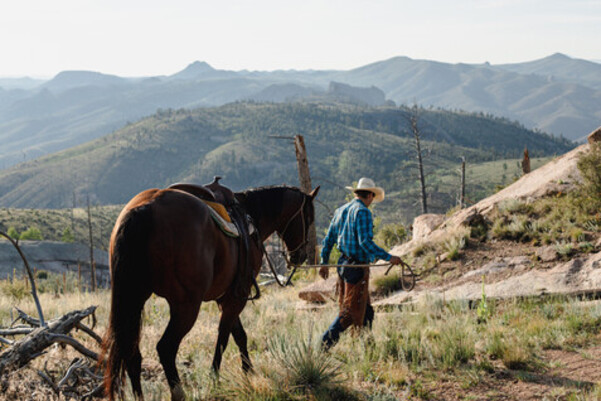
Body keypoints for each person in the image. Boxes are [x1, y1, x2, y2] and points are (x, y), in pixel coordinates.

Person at [319, 177, 403, 349]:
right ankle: (323, 344)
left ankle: (365, 347)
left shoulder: (341, 210)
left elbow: (328, 240)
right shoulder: (363, 212)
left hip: (343, 265)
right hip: (356, 268)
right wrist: (389, 257)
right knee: (349, 313)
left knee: (366, 310)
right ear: (370, 195)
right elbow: (365, 242)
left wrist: (324, 262)